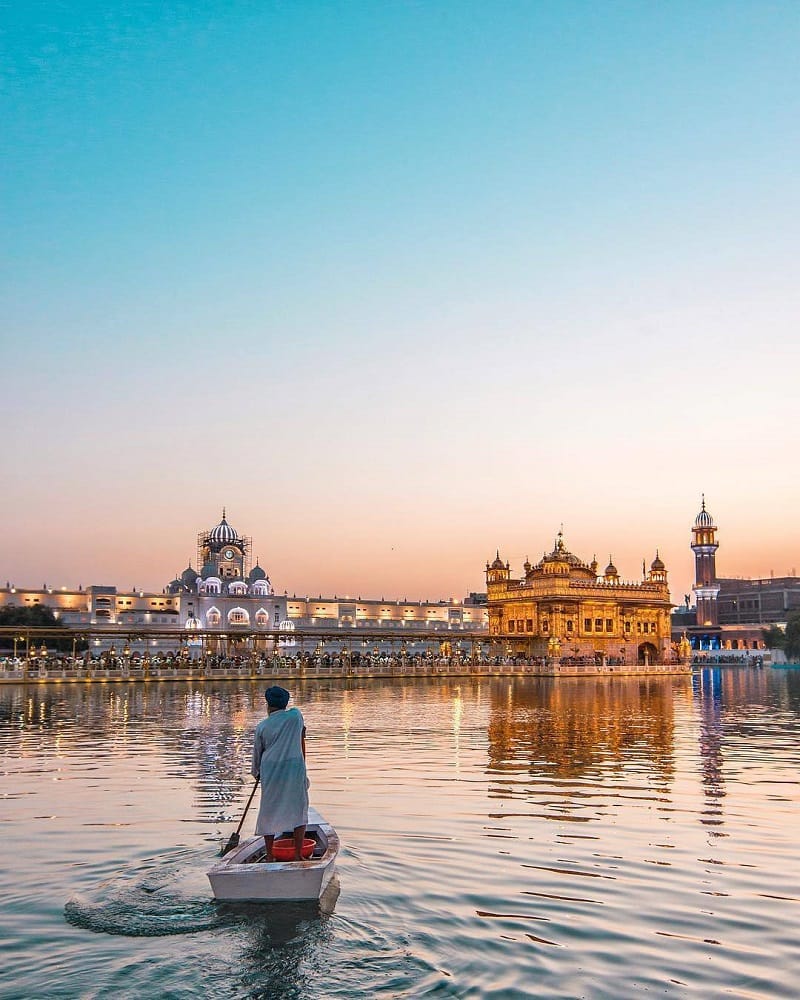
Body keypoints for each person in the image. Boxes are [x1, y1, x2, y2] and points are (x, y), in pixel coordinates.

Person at [251, 685, 309, 861]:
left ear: (268, 705)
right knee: (299, 809)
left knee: (269, 809)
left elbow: (257, 754)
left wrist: (256, 772)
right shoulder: (295, 716)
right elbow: (301, 735)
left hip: (271, 770)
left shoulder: (262, 726)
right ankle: (298, 854)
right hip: (294, 769)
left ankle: (269, 855)